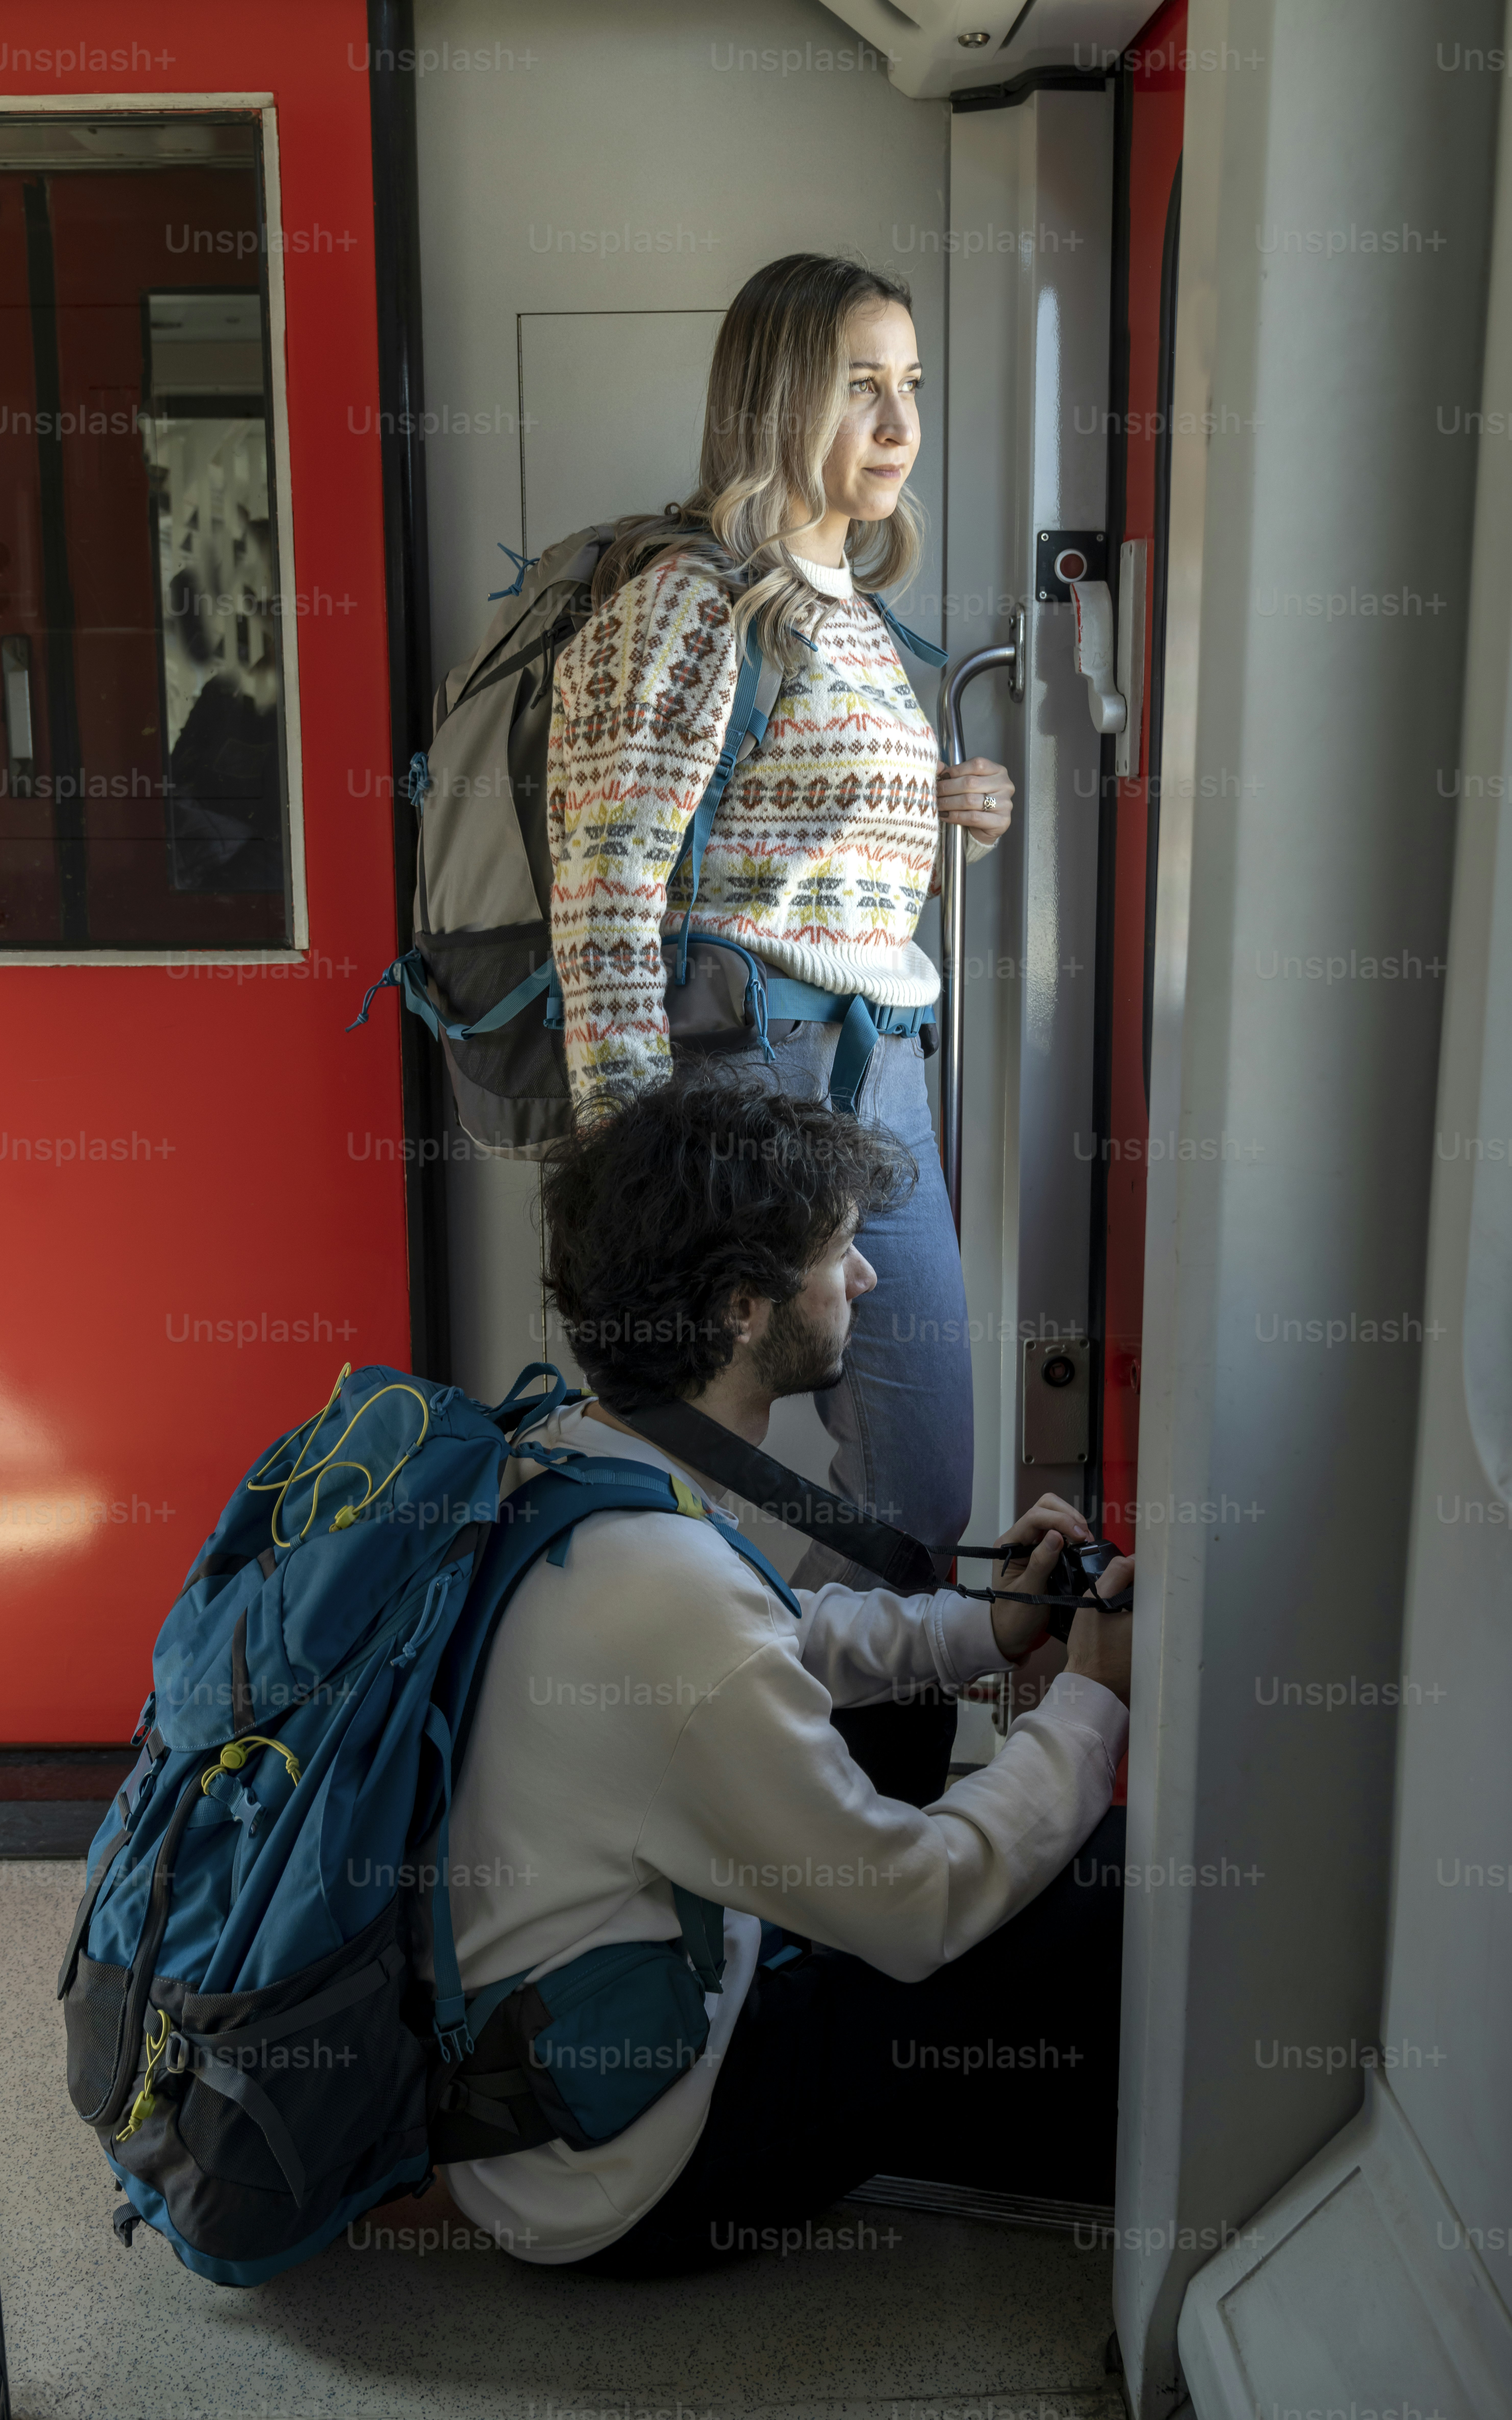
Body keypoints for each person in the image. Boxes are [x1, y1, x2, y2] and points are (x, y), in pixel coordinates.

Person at [440, 1074, 1133, 2276]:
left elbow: (775, 1626)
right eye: (841, 1255)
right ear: (746, 1307)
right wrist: (1091, 1700)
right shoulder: (673, 1598)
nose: (863, 1280)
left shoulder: (560, 1456)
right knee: (1100, 1869)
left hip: (530, 2091)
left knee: (951, 1808)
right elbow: (918, 1909)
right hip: (629, 2183)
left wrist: (983, 1634)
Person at [547, 255, 1012, 1681]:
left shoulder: (849, 605)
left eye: (913, 386)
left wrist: (951, 823)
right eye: (861, 385)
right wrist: (636, 1177)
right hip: (753, 1083)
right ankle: (731, 1757)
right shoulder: (692, 595)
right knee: (711, 1472)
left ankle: (797, 1785)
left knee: (915, 1494)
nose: (901, 422)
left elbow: (802, 867)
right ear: (777, 399)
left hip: (875, 1078)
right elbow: (606, 893)